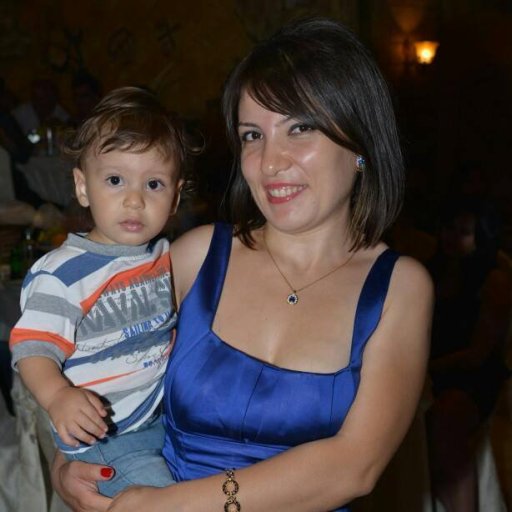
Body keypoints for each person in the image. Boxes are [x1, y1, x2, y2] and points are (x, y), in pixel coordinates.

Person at [52, 18, 433, 512]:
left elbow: (353, 467)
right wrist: (68, 468)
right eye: (253, 135)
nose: (270, 162)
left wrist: (173, 506)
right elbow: (92, 361)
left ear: (359, 142)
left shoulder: (399, 288)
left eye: (300, 128)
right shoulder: (195, 257)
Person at [9, 86, 198, 497]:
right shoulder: (63, 272)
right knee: (163, 502)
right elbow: (32, 347)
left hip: (159, 419)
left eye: (153, 184)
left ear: (175, 197)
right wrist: (58, 396)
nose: (134, 201)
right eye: (115, 180)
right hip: (104, 438)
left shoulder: (162, 256)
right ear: (82, 187)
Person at [427, 198, 512, 512]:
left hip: (473, 376)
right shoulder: (429, 271)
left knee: (447, 417)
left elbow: (477, 354)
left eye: (464, 232)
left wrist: (427, 368)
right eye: (449, 228)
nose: (452, 237)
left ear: (481, 237)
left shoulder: (494, 279)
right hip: (431, 370)